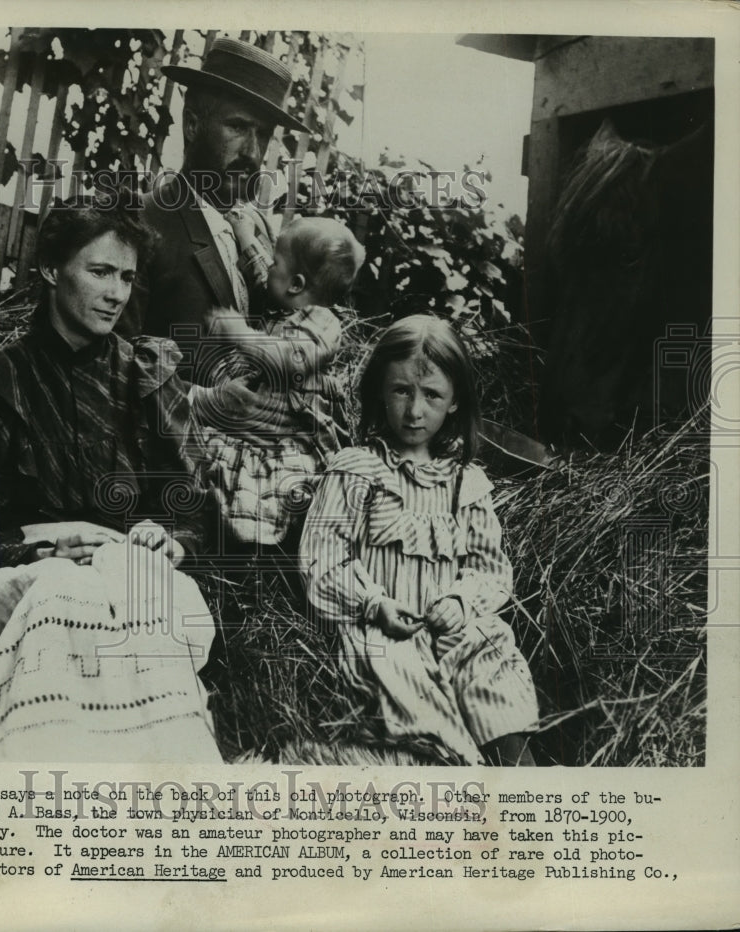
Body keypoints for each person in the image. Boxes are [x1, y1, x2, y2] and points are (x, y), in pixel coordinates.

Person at [0, 199, 221, 762]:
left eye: (128, 277)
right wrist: (46, 546)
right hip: (23, 587)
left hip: (134, 585)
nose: (117, 293)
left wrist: (172, 542)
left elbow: (194, 512)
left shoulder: (147, 375)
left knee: (136, 607)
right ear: (49, 270)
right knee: (64, 596)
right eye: (100, 271)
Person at [299, 316, 539, 765]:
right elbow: (323, 557)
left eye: (432, 395)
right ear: (379, 392)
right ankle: (460, 768)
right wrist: (373, 603)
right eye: (401, 390)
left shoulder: (465, 483)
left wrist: (462, 601)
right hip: (385, 630)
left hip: (450, 626)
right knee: (412, 689)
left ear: (454, 404)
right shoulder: (356, 470)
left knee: (489, 650)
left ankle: (524, 777)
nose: (414, 411)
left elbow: (489, 568)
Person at [116, 37, 310, 384]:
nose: (252, 151)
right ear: (192, 126)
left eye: (262, 134)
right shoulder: (142, 221)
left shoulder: (259, 230)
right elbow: (116, 369)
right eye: (236, 127)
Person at [194, 215, 366, 548]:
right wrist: (246, 239)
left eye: (276, 262)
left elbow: (288, 360)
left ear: (297, 284)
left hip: (291, 436)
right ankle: (226, 535)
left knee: (269, 492)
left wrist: (239, 334)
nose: (269, 267)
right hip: (261, 425)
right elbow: (264, 277)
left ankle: (260, 552)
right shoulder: (285, 301)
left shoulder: (323, 324)